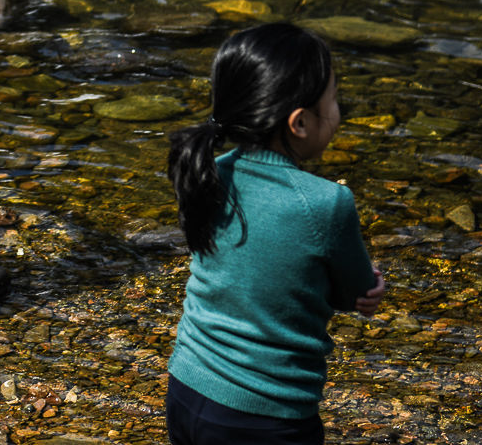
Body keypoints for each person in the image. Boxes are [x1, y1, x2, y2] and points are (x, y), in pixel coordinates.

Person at [164, 22, 387, 445]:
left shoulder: (208, 172)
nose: (340, 110)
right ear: (299, 123)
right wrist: (371, 285)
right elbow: (352, 293)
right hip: (263, 416)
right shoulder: (325, 202)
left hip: (186, 388)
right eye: (334, 99)